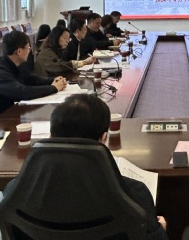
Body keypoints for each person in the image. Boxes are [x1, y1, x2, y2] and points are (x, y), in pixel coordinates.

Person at [43, 94, 169, 239]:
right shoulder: (134, 193)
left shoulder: (25, 187)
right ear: (103, 139)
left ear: (50, 136)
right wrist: (161, 230)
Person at [0, 30, 67, 116]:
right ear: (19, 51)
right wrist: (54, 88)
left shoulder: (13, 64)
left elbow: (30, 79)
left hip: (5, 112)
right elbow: (22, 92)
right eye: (28, 47)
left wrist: (52, 80)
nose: (29, 50)